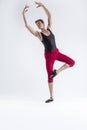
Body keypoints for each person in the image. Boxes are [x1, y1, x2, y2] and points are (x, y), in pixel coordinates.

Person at [22, 2, 75, 103]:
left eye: (39, 23)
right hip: (49, 56)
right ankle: (51, 97)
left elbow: (49, 15)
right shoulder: (39, 34)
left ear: (43, 23)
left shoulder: (49, 28)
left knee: (72, 62)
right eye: (37, 24)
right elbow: (26, 25)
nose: (38, 25)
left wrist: (42, 5)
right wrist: (23, 14)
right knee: (49, 76)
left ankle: (58, 72)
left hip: (57, 52)